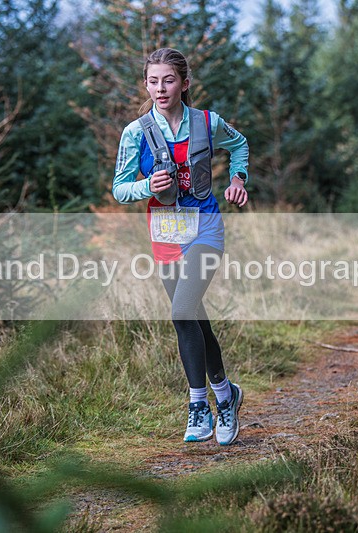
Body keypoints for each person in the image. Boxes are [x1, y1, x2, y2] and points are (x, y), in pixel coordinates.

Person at [112, 47, 249, 446]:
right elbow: (120, 188)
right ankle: (227, 394)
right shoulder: (135, 133)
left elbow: (239, 145)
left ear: (184, 83)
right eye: (153, 81)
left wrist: (238, 180)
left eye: (168, 80)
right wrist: (145, 187)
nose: (160, 88)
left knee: (182, 309)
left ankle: (198, 404)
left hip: (205, 229)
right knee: (191, 317)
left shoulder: (208, 123)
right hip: (166, 234)